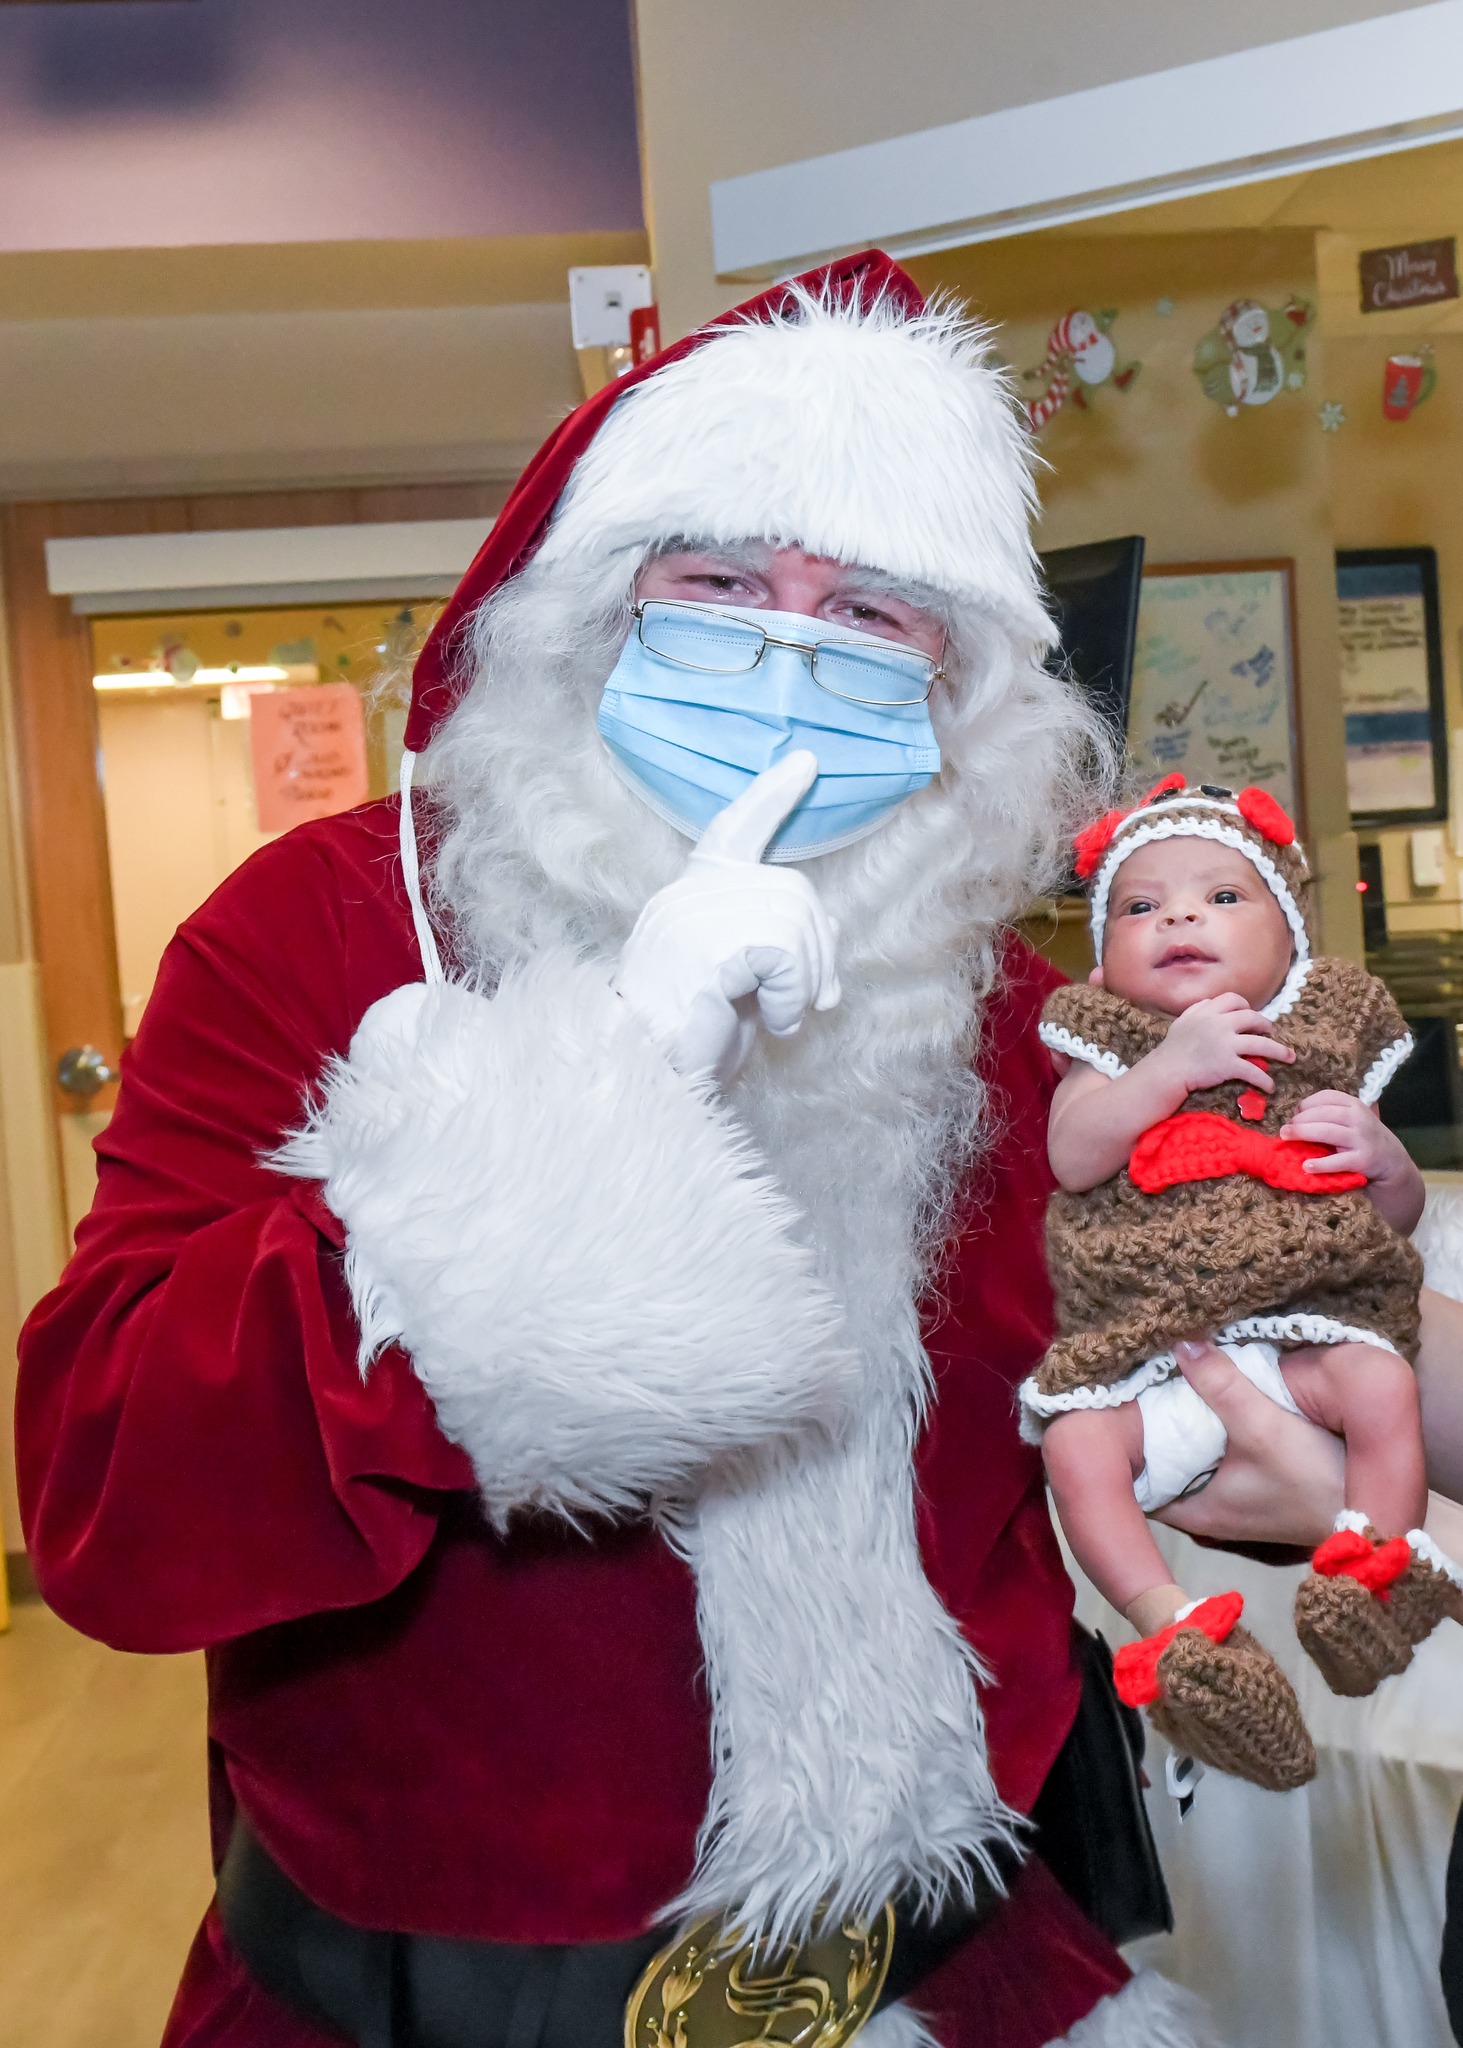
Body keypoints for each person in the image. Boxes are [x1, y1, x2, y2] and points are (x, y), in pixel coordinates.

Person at [14, 254, 1207, 2048]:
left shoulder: (1008, 1008)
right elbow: (108, 1507)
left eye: (873, 613)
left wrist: (1265, 1350)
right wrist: (585, 1105)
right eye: (717, 580)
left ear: (964, 690)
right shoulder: (326, 931)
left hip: (952, 1969)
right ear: (584, 614)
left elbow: (1091, 1402)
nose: (788, 647)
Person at [1029, 775, 1462, 1794]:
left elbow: (1383, 1225)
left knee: (1376, 1382)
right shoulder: (1110, 1043)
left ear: (1291, 946)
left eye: (1223, 896)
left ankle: (1373, 1560)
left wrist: (1380, 1158)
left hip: (1297, 1340)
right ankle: (1165, 1624)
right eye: (1140, 905)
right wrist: (1166, 1070)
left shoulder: (1319, 1044)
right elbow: (1073, 1154)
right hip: (1149, 1362)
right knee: (1073, 1442)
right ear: (1102, 958)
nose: (1178, 913)